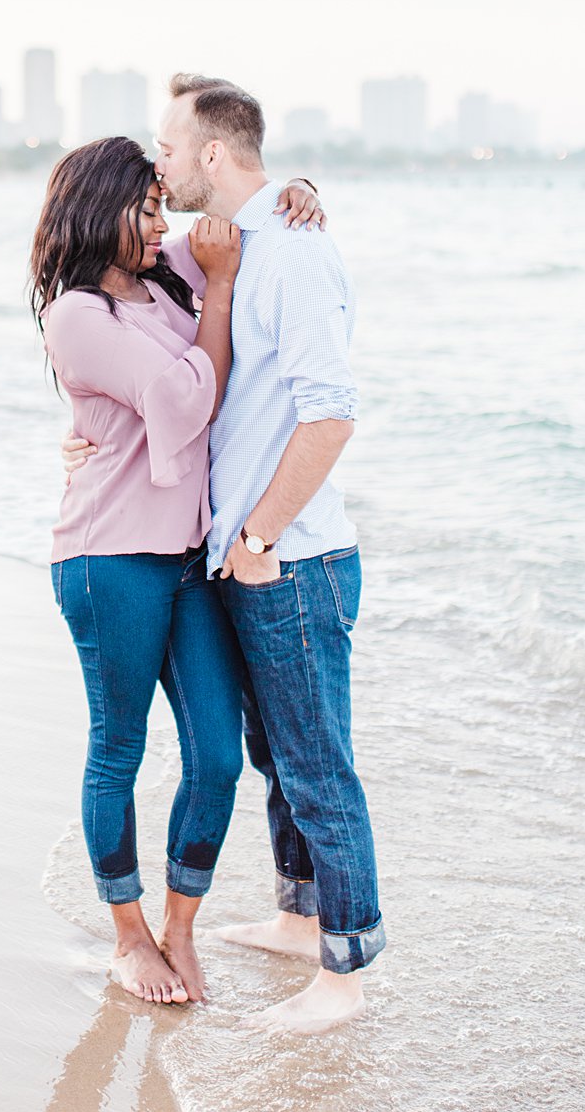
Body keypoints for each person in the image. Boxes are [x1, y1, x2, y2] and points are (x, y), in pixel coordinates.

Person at [65, 75, 385, 1036]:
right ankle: (298, 916)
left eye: (169, 148)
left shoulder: (290, 255)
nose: (159, 165)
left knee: (317, 763)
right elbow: (95, 256)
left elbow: (331, 415)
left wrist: (257, 538)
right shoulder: (222, 247)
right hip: (234, 558)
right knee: (274, 754)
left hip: (287, 557)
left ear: (210, 152)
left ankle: (346, 969)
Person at [29, 136, 245, 1006]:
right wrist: (221, 293)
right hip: (107, 556)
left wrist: (295, 191)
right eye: (147, 209)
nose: (163, 226)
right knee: (118, 746)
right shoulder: (77, 315)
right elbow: (189, 396)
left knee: (218, 759)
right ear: (99, 207)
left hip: (184, 553)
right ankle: (128, 936)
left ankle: (179, 929)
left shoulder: (161, 277)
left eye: (162, 208)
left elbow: (235, 228)